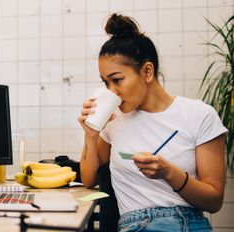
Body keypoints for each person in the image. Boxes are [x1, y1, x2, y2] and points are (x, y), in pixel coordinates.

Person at [78, 13, 227, 232]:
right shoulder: (113, 121)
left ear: (147, 71)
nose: (112, 91)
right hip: (136, 225)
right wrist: (90, 134)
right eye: (106, 83)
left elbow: (214, 201)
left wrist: (169, 173)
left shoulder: (200, 115)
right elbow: (89, 179)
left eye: (117, 80)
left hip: (190, 224)